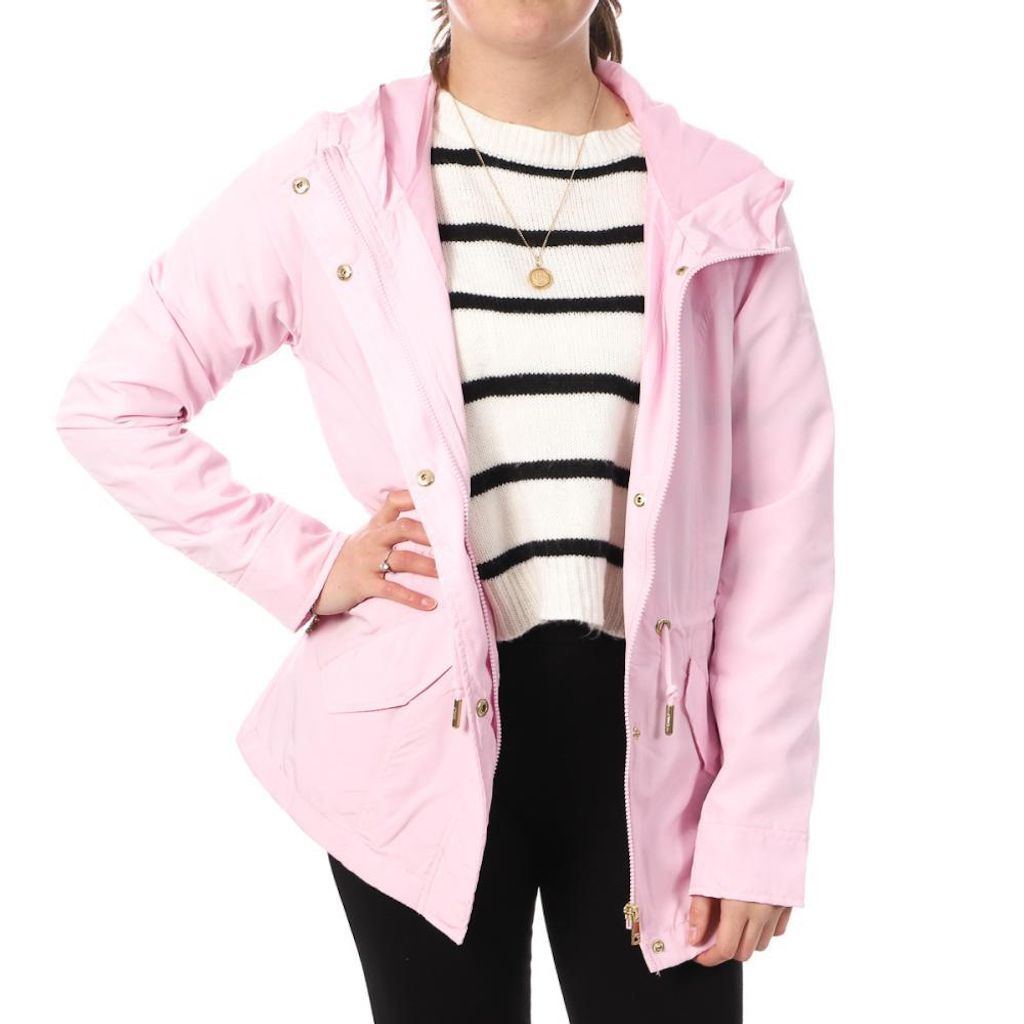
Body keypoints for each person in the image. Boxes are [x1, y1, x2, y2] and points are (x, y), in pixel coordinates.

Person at [55, 2, 834, 1021]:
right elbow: (112, 404)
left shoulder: (723, 201)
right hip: (409, 748)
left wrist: (757, 820)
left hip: (659, 749)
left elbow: (781, 527)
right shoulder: (330, 178)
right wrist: (307, 565)